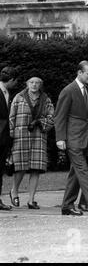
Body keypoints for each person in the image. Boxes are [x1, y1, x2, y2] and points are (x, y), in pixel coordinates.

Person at [54, 60, 88, 216]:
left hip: (83, 137)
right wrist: (60, 138)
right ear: (79, 72)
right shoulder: (68, 90)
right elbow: (59, 116)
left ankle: (67, 206)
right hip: (72, 137)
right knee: (82, 170)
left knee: (75, 173)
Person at [9, 77, 55, 209]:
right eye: (31, 82)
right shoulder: (19, 97)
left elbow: (52, 118)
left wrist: (40, 122)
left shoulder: (45, 99)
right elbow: (11, 117)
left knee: (36, 169)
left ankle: (31, 200)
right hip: (21, 136)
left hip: (38, 136)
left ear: (41, 85)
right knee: (20, 167)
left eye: (37, 83)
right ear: (27, 84)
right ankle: (14, 191)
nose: (34, 85)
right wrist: (11, 134)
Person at [0, 66, 19, 211]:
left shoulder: (7, 93)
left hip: (3, 138)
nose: (16, 84)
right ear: (11, 80)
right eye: (15, 81)